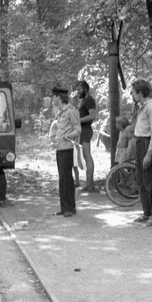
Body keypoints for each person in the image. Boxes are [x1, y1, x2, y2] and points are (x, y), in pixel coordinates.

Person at [130, 80, 152, 226]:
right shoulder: (140, 107)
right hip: (139, 142)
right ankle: (146, 211)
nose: (132, 94)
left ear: (140, 92)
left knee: (150, 179)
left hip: (147, 142)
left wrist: (149, 153)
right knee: (142, 179)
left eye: (133, 92)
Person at [50, 86, 81, 217]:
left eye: (54, 97)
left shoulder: (71, 111)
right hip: (60, 148)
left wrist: (67, 137)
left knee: (67, 178)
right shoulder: (60, 112)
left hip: (68, 148)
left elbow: (78, 129)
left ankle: (70, 208)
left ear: (59, 97)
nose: (53, 99)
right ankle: (64, 207)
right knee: (62, 179)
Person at [76, 80, 96, 191]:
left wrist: (79, 120)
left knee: (87, 155)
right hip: (82, 130)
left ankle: (89, 183)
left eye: (79, 89)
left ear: (85, 89)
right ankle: (88, 182)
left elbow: (92, 115)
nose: (77, 92)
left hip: (86, 130)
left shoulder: (89, 100)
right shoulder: (84, 100)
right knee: (85, 155)